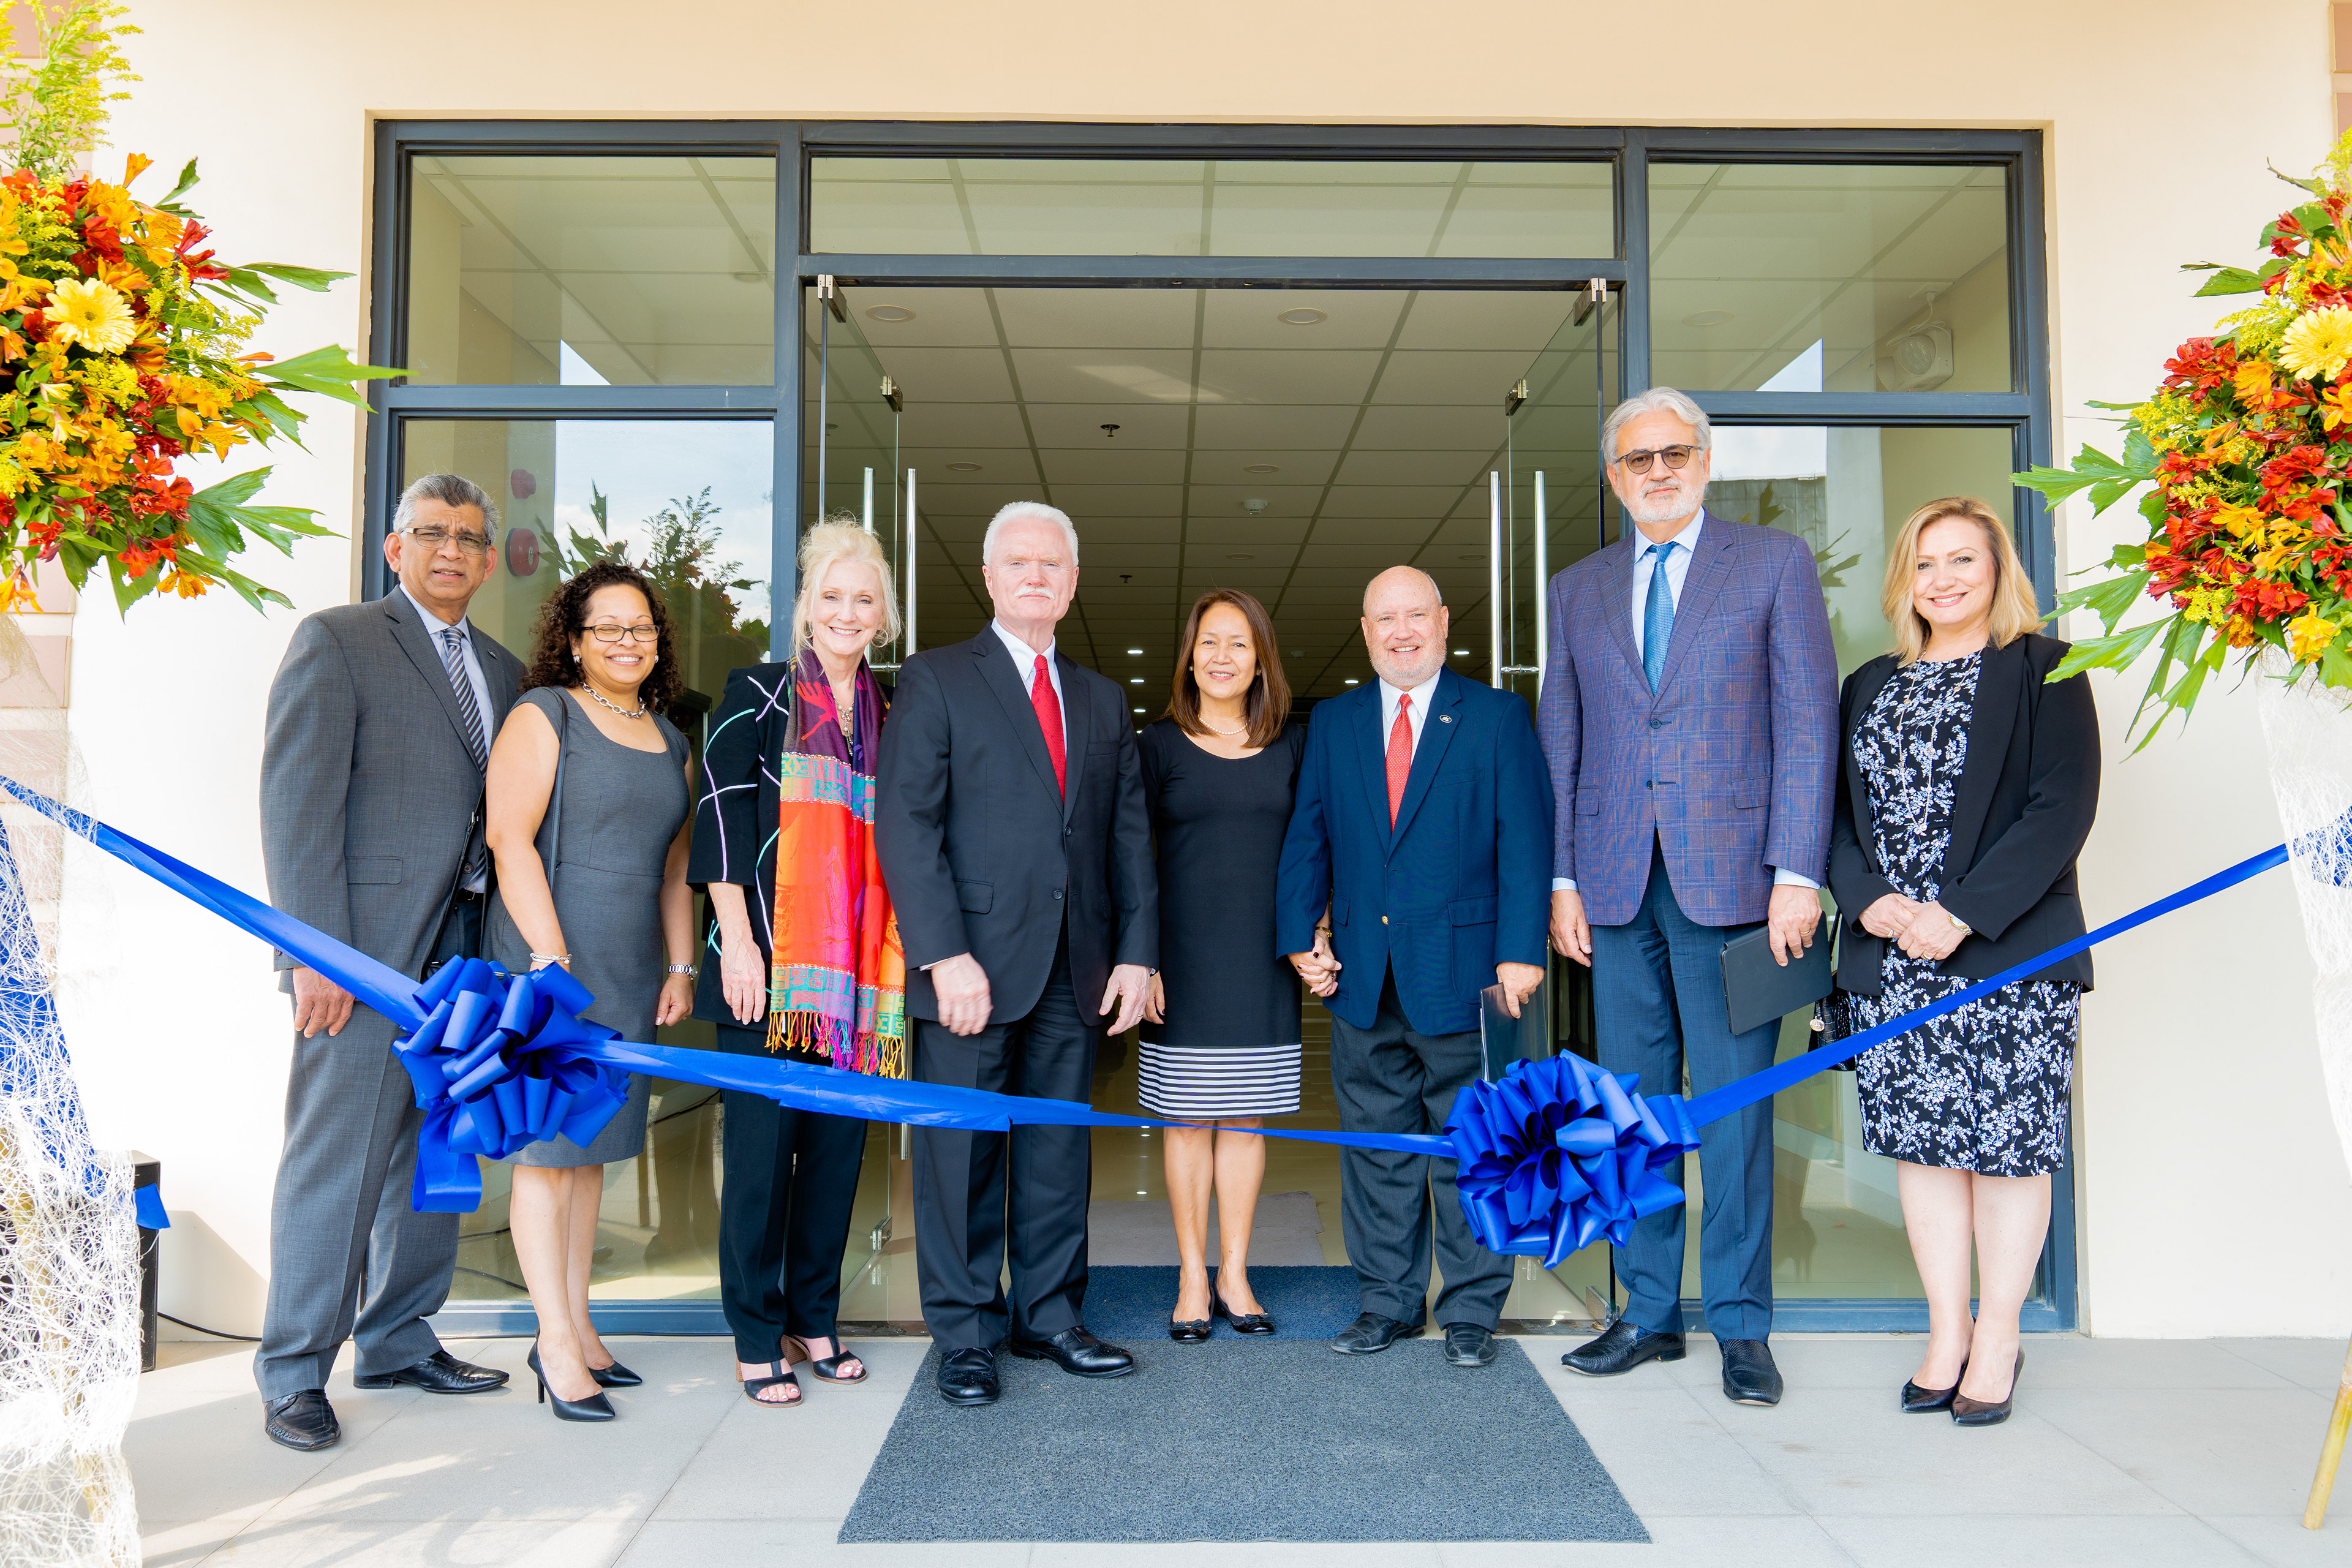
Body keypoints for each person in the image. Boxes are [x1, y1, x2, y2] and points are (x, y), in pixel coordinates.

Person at [1542, 386, 1838, 1408]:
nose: (1658, 471)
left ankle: (1743, 1326)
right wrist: (1563, 878)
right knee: (1629, 1112)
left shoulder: (1773, 564)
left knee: (1733, 1114)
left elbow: (1807, 724)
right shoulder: (1576, 588)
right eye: (1639, 459)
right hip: (1616, 886)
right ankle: (1648, 1313)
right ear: (1615, 477)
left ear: (1706, 463)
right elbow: (1563, 738)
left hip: (1740, 886)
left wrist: (1797, 874)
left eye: (1675, 454)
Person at [255, 473, 522, 1452]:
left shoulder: (503, 670)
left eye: (469, 538)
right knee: (340, 1160)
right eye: (431, 533)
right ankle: (294, 1371)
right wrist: (311, 954)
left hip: (468, 952)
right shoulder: (339, 641)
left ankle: (400, 1338)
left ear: (488, 562)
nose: (451, 551)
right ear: (394, 547)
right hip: (361, 955)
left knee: (439, 1149)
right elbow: (297, 806)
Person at [876, 499, 1156, 1407]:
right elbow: (906, 826)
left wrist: (1136, 953)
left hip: (1076, 968)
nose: (1036, 576)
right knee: (959, 1156)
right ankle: (965, 1333)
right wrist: (942, 955)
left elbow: (1127, 836)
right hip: (971, 969)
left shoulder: (1102, 698)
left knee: (1057, 1152)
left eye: (1052, 564)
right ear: (990, 577)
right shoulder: (936, 678)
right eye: (1019, 562)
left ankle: (1049, 1316)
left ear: (1072, 583)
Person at [1825, 496, 2097, 1428]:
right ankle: (1947, 1331)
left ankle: (2000, 1336)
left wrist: (1962, 914)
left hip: (2006, 957)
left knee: (2009, 1152)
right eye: (1925, 563)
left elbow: (2062, 809)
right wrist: (1868, 898)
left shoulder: (2047, 669)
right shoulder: (1869, 685)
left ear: (1997, 570)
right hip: (1894, 956)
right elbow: (1837, 817)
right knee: (1925, 1149)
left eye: (1962, 561)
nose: (1942, 580)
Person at [1273, 565, 1551, 1370]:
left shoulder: (1496, 716)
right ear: (1366, 631)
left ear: (1443, 621)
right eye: (1385, 619)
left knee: (1474, 1149)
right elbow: (1309, 836)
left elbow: (1525, 839)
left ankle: (1470, 1310)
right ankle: (1387, 1301)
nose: (1401, 632)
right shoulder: (1335, 722)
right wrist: (1301, 934)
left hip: (1470, 975)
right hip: (1363, 977)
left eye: (1415, 616)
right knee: (1377, 1151)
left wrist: (1521, 950)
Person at [690, 519, 900, 1408]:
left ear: (883, 615)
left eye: (864, 598)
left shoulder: (895, 710)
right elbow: (721, 813)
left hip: (858, 976)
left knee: (835, 1157)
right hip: (768, 967)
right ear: (806, 606)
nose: (847, 612)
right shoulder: (760, 690)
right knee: (762, 1162)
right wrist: (738, 941)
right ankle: (753, 1332)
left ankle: (815, 1319)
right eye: (832, 596)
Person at [482, 561, 695, 1423]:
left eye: (640, 626)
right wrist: (549, 957)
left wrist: (681, 966)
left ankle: (579, 1326)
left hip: (631, 965)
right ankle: (555, 1343)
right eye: (606, 626)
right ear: (573, 640)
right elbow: (509, 839)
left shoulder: (672, 738)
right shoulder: (547, 713)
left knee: (591, 1152)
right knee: (546, 1157)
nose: (625, 640)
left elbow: (676, 867)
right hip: (551, 963)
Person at [1137, 589, 1310, 1341]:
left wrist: (1315, 929)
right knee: (1184, 1122)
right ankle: (1190, 1275)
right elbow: (1129, 859)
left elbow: (1312, 850)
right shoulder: (1156, 746)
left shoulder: (1293, 746)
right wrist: (1140, 960)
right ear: (1188, 656)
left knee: (1243, 1119)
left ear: (1261, 660)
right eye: (1209, 641)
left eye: (1239, 643)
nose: (1222, 656)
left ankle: (1234, 1273)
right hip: (1179, 961)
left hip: (1262, 957)